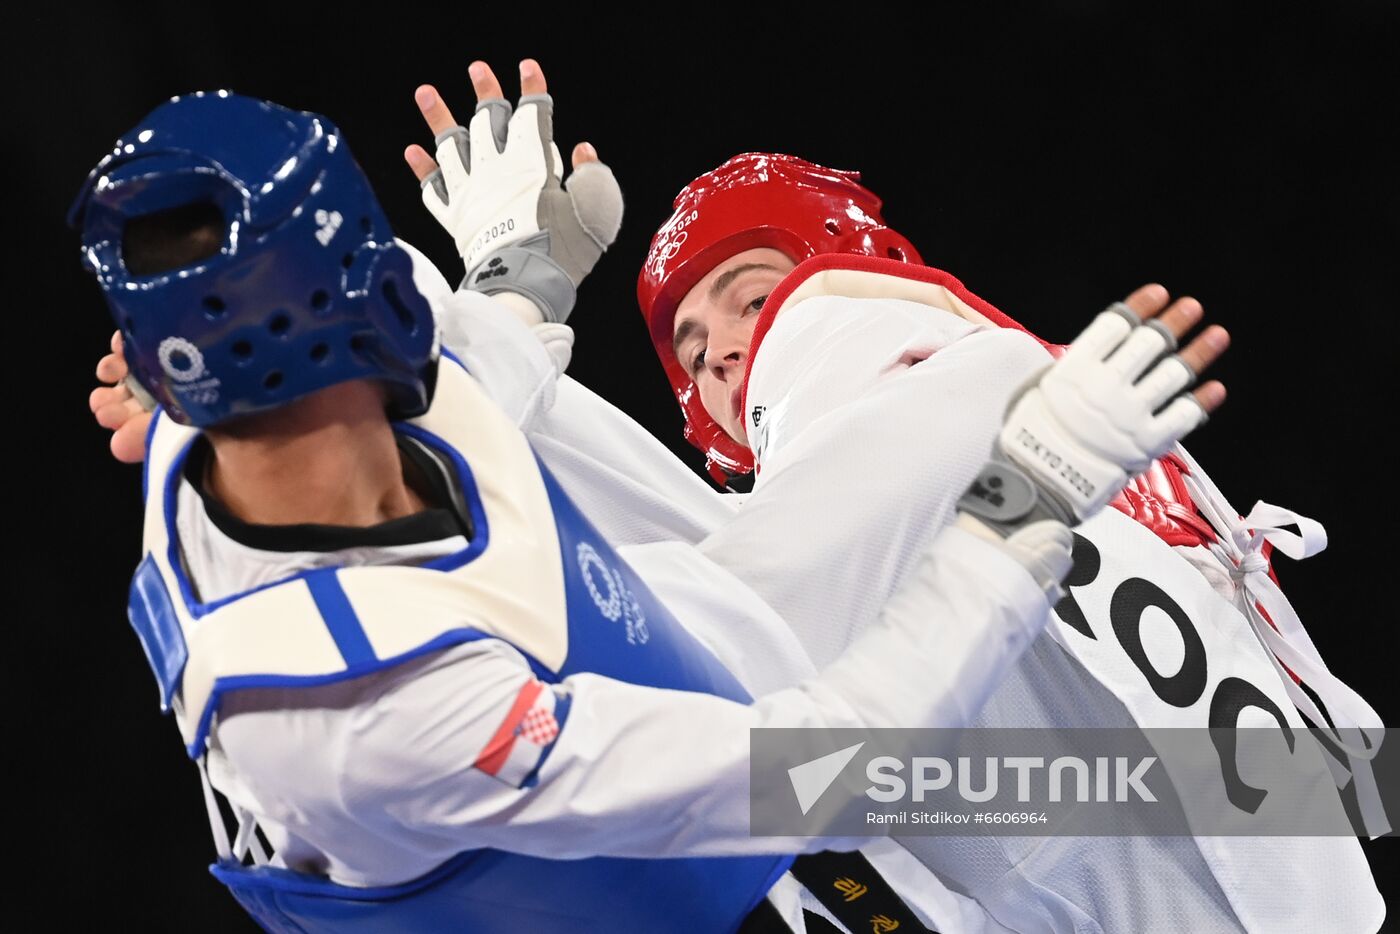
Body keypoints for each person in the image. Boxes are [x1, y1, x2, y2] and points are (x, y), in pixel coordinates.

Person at [77, 85, 1222, 933]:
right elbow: (824, 769)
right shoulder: (379, 708)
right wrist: (1032, 495)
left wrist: (517, 276)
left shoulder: (238, 381)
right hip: (630, 877)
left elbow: (466, 362)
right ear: (375, 302)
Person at [404, 62, 1386, 934]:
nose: (730, 354)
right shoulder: (1070, 419)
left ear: (841, 257)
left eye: (749, 296)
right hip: (1283, 857)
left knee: (680, 677)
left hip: (1156, 862)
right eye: (694, 357)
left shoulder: (839, 326)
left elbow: (722, 621)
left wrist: (504, 306)